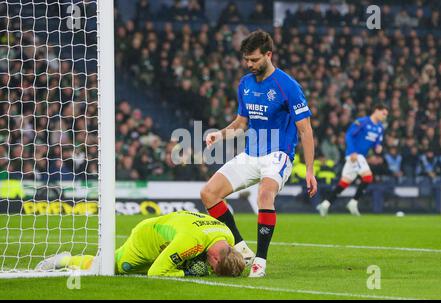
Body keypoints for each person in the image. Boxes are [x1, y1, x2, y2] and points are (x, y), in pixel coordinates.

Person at [200, 30, 318, 278]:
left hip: (278, 155)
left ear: (268, 54)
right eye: (246, 60)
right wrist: (219, 134)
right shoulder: (245, 83)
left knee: (265, 195)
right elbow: (241, 123)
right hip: (251, 154)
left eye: (254, 60)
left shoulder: (288, 86)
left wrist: (309, 170)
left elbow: (305, 131)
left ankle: (260, 262)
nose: (249, 65)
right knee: (208, 193)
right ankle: (242, 248)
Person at [35, 211, 245, 277]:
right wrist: (187, 273)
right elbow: (155, 273)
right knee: (109, 268)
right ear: (216, 257)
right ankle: (63, 259)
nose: (210, 268)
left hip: (169, 240)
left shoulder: (228, 237)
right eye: (213, 267)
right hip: (146, 240)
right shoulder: (191, 242)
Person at [316, 104, 389, 216]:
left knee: (344, 183)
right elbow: (349, 136)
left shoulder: (380, 128)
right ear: (376, 110)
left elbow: (376, 142)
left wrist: (377, 147)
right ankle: (354, 202)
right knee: (368, 177)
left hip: (361, 156)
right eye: (383, 113)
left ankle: (325, 204)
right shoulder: (362, 122)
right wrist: (352, 151)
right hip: (354, 155)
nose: (384, 116)